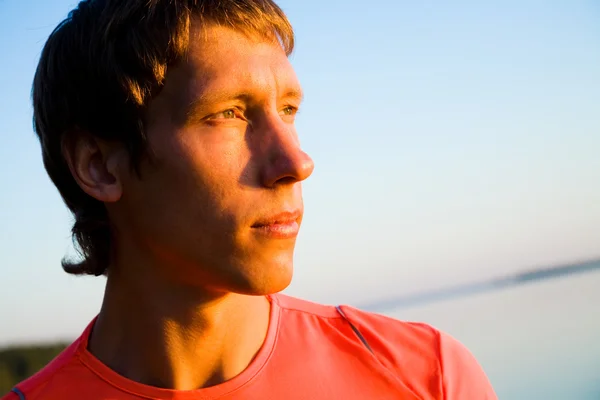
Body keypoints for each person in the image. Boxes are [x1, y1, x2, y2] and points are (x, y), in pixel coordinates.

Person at [3, 0, 497, 399]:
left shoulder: (428, 376)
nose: (296, 162)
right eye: (229, 113)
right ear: (98, 164)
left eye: (288, 109)